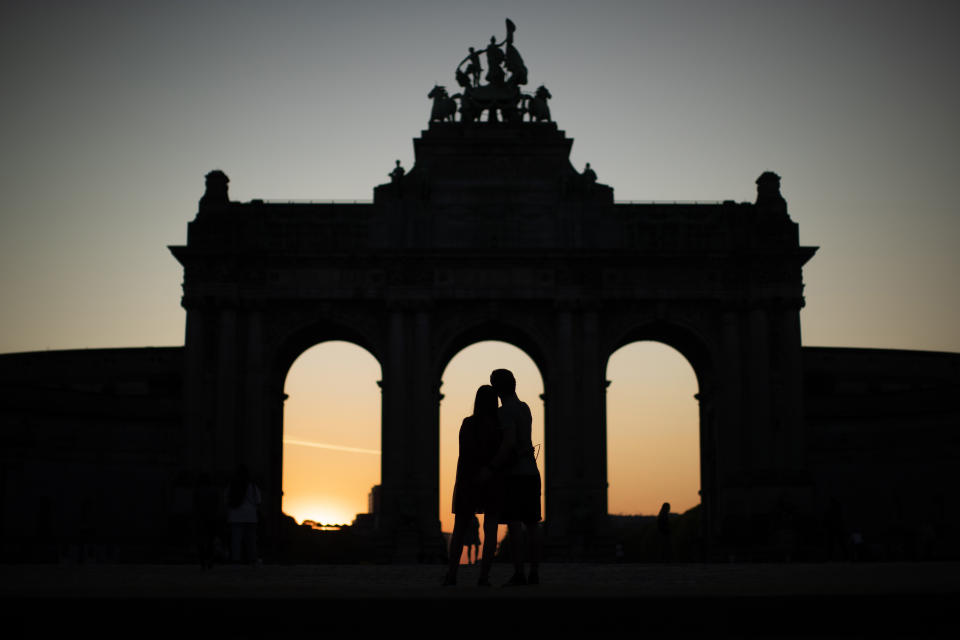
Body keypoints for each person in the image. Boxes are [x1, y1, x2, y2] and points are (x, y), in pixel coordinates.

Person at [483, 368, 542, 586]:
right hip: (532, 472)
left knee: (515, 524)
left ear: (497, 387)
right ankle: (535, 573)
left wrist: (492, 466)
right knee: (533, 524)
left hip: (515, 474)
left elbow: (509, 442)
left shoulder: (503, 412)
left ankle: (519, 573)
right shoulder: (525, 408)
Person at [444, 385, 501, 586]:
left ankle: (451, 575)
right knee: (491, 528)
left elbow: (463, 455)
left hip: (468, 479)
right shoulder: (499, 426)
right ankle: (484, 577)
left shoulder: (468, 424)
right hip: (493, 479)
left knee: (459, 529)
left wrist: (465, 479)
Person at [225, 464, 261, 565]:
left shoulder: (232, 486)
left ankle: (236, 559)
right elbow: (258, 501)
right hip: (250, 517)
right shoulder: (253, 487)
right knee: (251, 540)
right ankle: (252, 559)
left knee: (236, 540)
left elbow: (227, 500)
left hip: (235, 516)